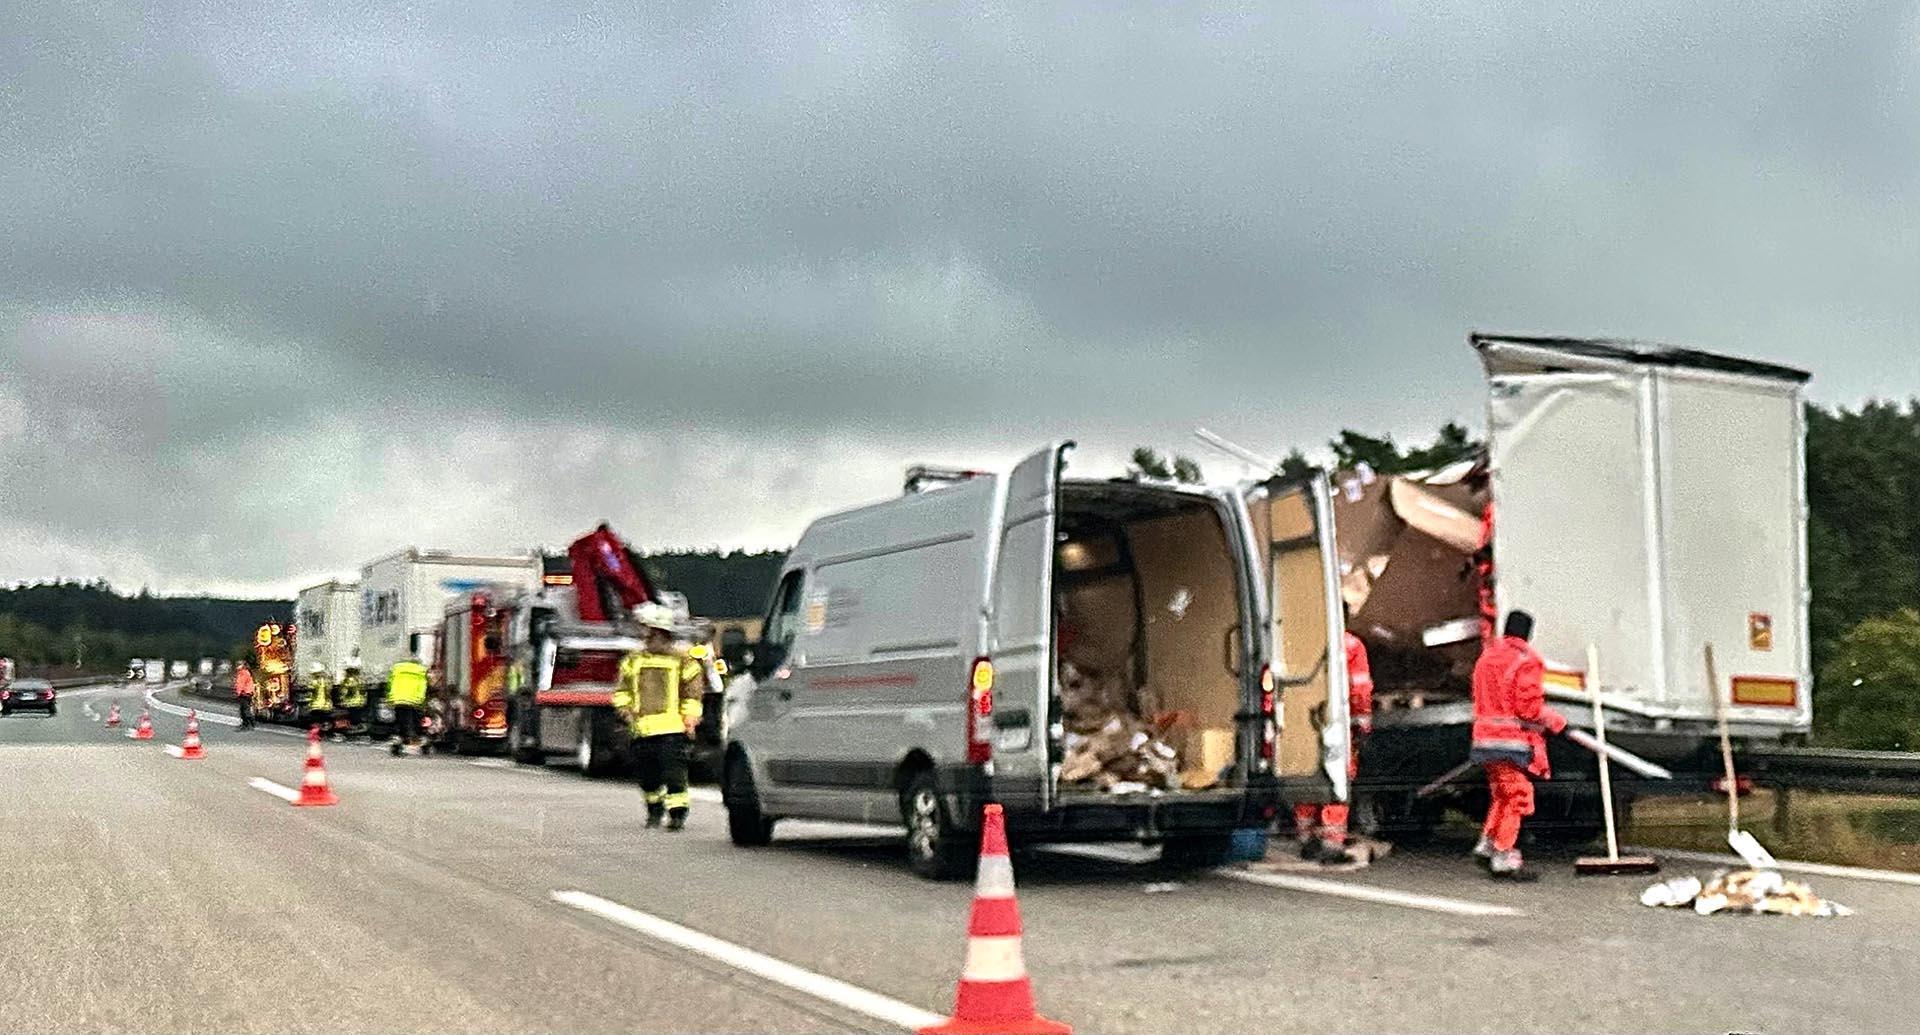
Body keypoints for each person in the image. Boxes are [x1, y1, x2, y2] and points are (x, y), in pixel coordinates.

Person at [1469, 609, 1568, 881]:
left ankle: (1489, 844)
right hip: (1509, 741)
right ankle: (1503, 854)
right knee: (1518, 795)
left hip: (1483, 739)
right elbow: (1529, 708)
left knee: (1502, 794)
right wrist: (1558, 722)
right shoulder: (1526, 660)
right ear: (1528, 633)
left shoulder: (1487, 657)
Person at [611, 602, 704, 831]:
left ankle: (677, 815)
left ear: (659, 632)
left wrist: (690, 718)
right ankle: (654, 811)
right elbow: (622, 691)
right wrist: (625, 711)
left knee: (674, 776)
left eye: (647, 630)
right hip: (642, 729)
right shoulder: (633, 660)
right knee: (648, 778)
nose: (644, 635)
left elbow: (693, 693)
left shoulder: (683, 660)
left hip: (672, 730)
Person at [1295, 630, 1375, 862]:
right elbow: (1359, 687)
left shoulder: (1302, 638)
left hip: (1302, 718)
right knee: (1338, 775)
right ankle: (1331, 843)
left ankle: (1305, 837)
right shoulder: (1351, 644)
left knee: (1306, 772)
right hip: (1338, 720)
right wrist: (1363, 723)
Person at [387, 655, 430, 754]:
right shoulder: (421, 671)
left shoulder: (397, 669)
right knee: (416, 722)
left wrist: (390, 698)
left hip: (399, 700)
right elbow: (424, 687)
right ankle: (420, 740)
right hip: (414, 700)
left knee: (400, 721)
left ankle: (398, 740)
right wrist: (423, 700)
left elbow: (390, 684)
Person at [336, 662, 366, 739]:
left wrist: (341, 699)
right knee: (357, 718)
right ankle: (357, 733)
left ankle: (350, 734)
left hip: (351, 702)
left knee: (350, 718)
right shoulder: (360, 679)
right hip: (359, 702)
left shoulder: (348, 680)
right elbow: (363, 690)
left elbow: (345, 692)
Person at [305, 663, 334, 737]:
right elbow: (329, 691)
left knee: (315, 721)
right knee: (324, 719)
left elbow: (310, 692)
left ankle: (317, 733)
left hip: (316, 706)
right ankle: (326, 732)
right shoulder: (326, 681)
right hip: (326, 705)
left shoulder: (313, 681)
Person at [234, 664, 257, 730]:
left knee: (245, 710)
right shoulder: (242, 673)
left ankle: (250, 724)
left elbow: (241, 684)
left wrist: (239, 693)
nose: (237, 666)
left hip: (245, 693)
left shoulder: (243, 673)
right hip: (245, 693)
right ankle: (246, 724)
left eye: (239, 665)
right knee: (243, 710)